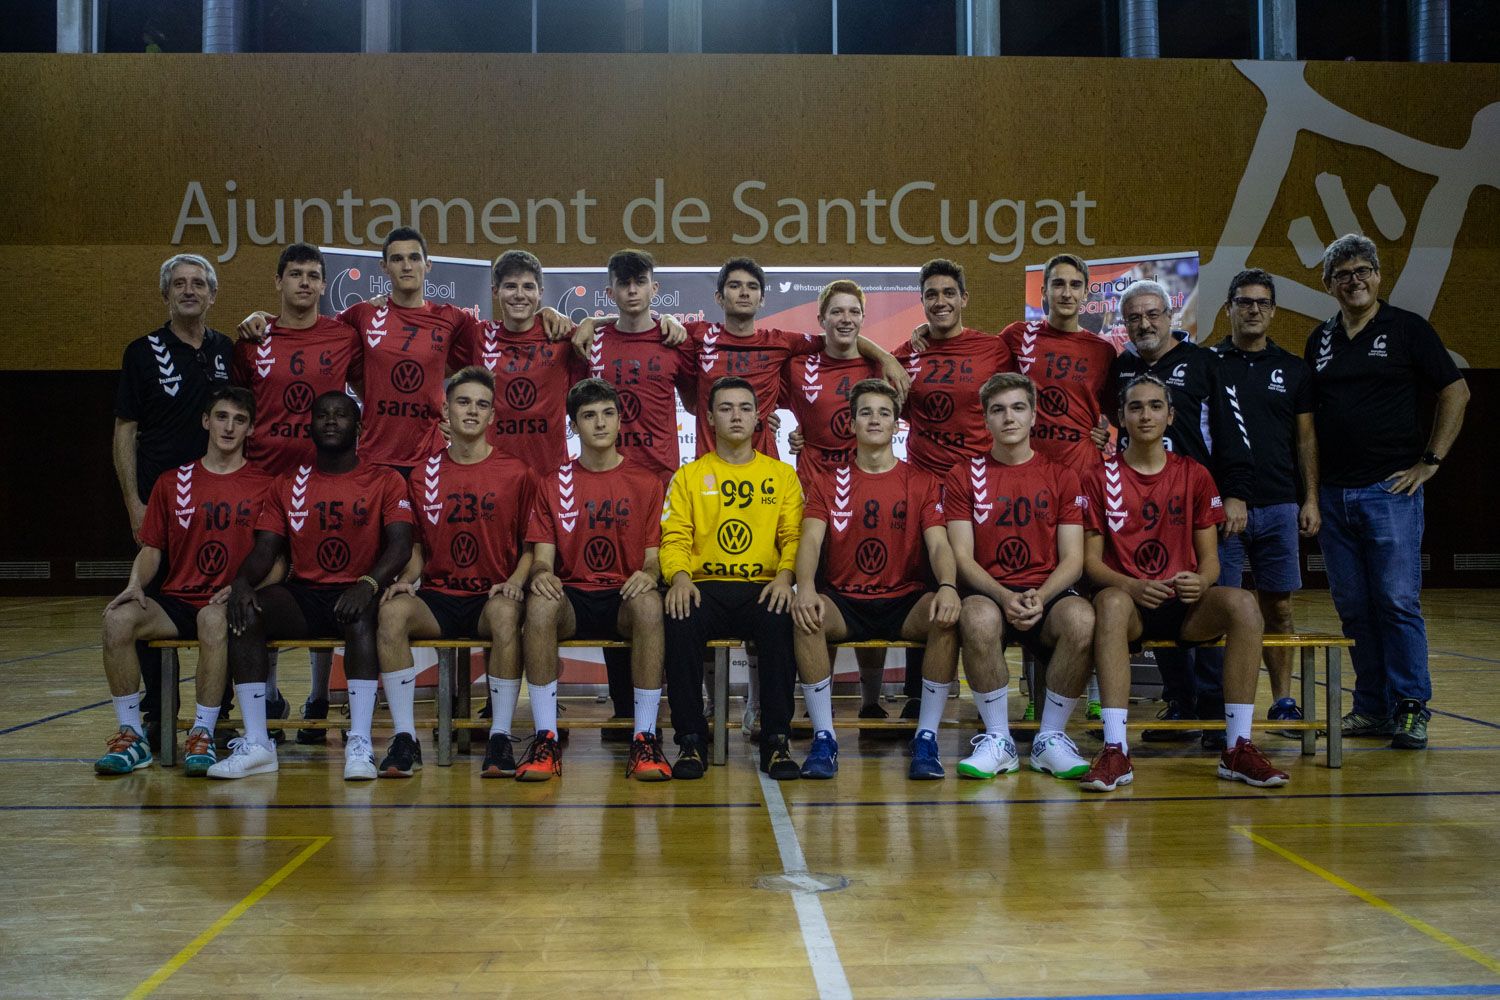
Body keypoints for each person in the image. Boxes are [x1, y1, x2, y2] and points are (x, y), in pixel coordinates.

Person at [1081, 375, 1288, 791]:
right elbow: (1089, 564)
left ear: (1171, 416)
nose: (1146, 414)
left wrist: (1201, 579)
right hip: (1132, 607)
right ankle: (1116, 749)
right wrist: (1131, 586)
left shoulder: (1195, 474)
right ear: (1120, 417)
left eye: (1156, 406)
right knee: (1109, 603)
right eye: (1135, 407)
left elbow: (1210, 560)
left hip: (1185, 606)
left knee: (1245, 603)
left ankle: (1238, 747)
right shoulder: (1098, 477)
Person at [1304, 234, 1468, 749]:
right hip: (1334, 494)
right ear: (1328, 284)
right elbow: (1308, 422)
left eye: (1362, 271)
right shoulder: (1320, 339)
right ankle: (1372, 708)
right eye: (1343, 274)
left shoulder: (1407, 329)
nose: (1354, 281)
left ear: (1378, 276)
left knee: (1397, 601)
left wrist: (1430, 462)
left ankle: (1412, 707)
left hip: (1390, 490)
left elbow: (1456, 390)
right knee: (1354, 608)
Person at [210, 392, 414, 780]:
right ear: (311, 425)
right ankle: (257, 743)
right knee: (247, 612)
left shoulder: (384, 479)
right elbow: (266, 548)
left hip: (357, 590)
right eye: (323, 415)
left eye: (341, 415)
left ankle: (359, 743)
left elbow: (401, 544)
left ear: (359, 426)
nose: (332, 421)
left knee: (360, 619)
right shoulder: (288, 483)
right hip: (305, 594)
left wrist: (368, 584)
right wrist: (240, 583)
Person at [1097, 279, 1255, 746]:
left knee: (1202, 598)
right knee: (1153, 594)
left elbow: (1232, 430)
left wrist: (1236, 493)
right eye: (1133, 317)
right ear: (1123, 324)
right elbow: (1105, 426)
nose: (1143, 323)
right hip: (1140, 506)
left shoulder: (1206, 363)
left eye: (1152, 314)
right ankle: (1181, 704)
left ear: (1172, 315)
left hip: (1196, 503)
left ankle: (1213, 712)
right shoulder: (1120, 368)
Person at [95, 388, 272, 777]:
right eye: (221, 416)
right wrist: (134, 583)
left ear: (251, 429)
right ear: (206, 421)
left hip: (225, 600)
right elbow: (152, 548)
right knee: (117, 620)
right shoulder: (173, 481)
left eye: (239, 420)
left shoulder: (264, 484)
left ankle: (203, 733)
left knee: (211, 619)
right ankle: (132, 736)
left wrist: (247, 589)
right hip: (177, 599)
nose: (228, 427)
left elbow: (276, 557)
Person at [374, 367, 540, 779]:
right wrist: (404, 582)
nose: (472, 411)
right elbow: (417, 552)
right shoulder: (422, 474)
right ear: (446, 411)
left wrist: (515, 584)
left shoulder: (518, 473)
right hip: (440, 597)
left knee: (504, 615)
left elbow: (531, 547)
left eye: (482, 405)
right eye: (463, 402)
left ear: (493, 417)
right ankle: (405, 739)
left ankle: (500, 737)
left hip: (491, 596)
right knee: (392, 613)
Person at [790, 380, 960, 779]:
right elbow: (810, 541)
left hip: (903, 600)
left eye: (884, 413)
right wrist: (807, 589)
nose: (875, 419)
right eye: (865, 412)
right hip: (845, 600)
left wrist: (949, 586)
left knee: (948, 617)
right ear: (850, 423)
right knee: (806, 617)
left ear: (897, 426)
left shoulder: (920, 481)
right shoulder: (827, 481)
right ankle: (824, 738)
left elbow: (938, 545)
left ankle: (926, 738)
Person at [938, 373, 1096, 782]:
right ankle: (998, 740)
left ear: (1033, 415)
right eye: (998, 410)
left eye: (1017, 407)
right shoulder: (962, 475)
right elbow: (961, 556)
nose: (1009, 418)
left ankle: (1050, 739)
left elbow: (1074, 559)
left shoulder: (1062, 476)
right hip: (989, 593)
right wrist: (1004, 595)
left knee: (1082, 618)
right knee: (975, 616)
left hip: (1047, 593)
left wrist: (1040, 596)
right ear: (985, 420)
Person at [113, 253, 234, 746]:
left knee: (219, 609)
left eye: (198, 284)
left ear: (212, 294)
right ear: (166, 294)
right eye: (179, 284)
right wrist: (134, 502)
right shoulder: (141, 352)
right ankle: (159, 715)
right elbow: (125, 432)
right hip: (162, 506)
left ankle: (218, 718)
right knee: (148, 603)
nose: (189, 290)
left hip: (221, 509)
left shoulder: (227, 350)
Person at [525, 378, 671, 781]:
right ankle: (545, 737)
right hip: (573, 598)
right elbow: (542, 560)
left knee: (648, 601)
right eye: (589, 416)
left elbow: (654, 559)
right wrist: (541, 577)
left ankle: (644, 737)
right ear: (574, 425)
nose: (600, 423)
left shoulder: (647, 482)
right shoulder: (553, 483)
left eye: (608, 414)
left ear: (620, 421)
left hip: (623, 597)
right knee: (538, 602)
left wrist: (649, 574)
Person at [660, 377, 804, 779]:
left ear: (758, 417)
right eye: (726, 408)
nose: (736, 415)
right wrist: (680, 578)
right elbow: (674, 537)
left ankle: (775, 741)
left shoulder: (782, 476)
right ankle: (690, 741)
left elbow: (794, 536)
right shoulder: (689, 476)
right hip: (704, 586)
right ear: (708, 418)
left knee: (780, 621)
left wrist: (786, 576)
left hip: (763, 587)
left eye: (744, 407)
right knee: (680, 617)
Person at [1199, 269, 1320, 730]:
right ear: (1229, 307)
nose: (1253, 310)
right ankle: (1219, 705)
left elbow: (1306, 441)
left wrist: (1310, 499)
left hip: (1280, 505)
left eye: (1262, 303)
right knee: (1220, 608)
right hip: (1224, 511)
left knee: (1279, 607)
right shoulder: (1209, 363)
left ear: (1272, 310)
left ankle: (1283, 700)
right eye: (1244, 302)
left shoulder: (1293, 369)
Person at [1000, 253, 1116, 726]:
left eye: (1074, 285)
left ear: (1086, 293)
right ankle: (1035, 694)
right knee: (1035, 582)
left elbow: (1115, 411)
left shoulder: (1103, 350)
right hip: (1030, 478)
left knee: (1082, 585)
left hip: (1083, 476)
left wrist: (1103, 434)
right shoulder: (1017, 337)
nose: (1066, 292)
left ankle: (1084, 688)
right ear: (1042, 292)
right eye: (1057, 284)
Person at [685, 258, 908, 460]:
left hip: (764, 469)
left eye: (752, 287)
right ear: (719, 297)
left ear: (762, 299)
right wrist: (669, 321)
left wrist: (885, 357)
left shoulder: (780, 343)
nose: (744, 293)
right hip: (708, 466)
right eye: (734, 286)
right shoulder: (695, 336)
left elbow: (836, 336)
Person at [230, 243, 359, 477]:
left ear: (323, 286)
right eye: (295, 274)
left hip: (324, 475)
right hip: (262, 474)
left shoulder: (345, 338)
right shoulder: (252, 340)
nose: (305, 283)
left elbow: (373, 393)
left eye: (313, 276)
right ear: (278, 281)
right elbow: (236, 411)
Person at [894, 259, 1014, 478]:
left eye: (949, 293)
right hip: (923, 480)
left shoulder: (993, 349)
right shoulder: (902, 356)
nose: (940, 302)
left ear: (964, 299)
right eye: (931, 295)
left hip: (979, 479)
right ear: (922, 301)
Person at [472, 250, 577, 471]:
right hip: (495, 475)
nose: (520, 295)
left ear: (540, 292)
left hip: (551, 477)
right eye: (510, 286)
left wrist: (591, 321)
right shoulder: (477, 336)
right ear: (495, 291)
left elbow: (617, 330)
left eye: (528, 287)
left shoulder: (561, 334)